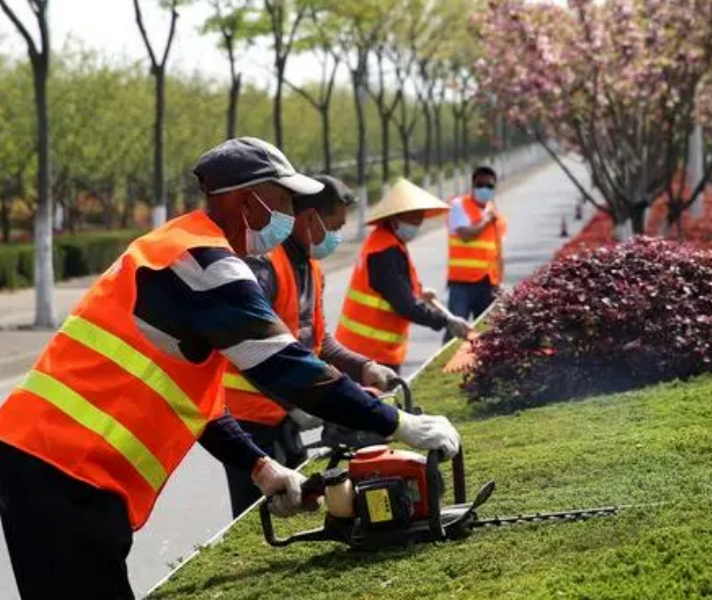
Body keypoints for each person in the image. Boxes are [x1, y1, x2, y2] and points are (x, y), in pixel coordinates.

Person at [0, 138, 459, 600]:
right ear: (248, 199)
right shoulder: (204, 261)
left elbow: (192, 400)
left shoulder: (187, 248)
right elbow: (287, 366)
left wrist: (260, 468)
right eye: (282, 201)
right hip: (59, 466)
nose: (287, 215)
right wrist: (399, 423)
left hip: (56, 465)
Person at [223, 174, 398, 517]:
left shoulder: (312, 268)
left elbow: (317, 340)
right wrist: (297, 403)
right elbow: (247, 347)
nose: (337, 237)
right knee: (255, 516)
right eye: (334, 227)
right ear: (309, 220)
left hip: (287, 411)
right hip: (250, 419)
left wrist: (363, 366)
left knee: (302, 502)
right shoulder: (263, 267)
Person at [335, 178, 472, 373]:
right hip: (369, 354)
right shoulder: (386, 251)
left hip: (364, 350)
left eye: (420, 216)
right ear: (394, 218)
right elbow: (405, 305)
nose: (417, 223)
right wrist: (445, 321)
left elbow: (390, 287)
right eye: (412, 217)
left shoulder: (384, 241)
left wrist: (419, 292)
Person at [444, 165, 507, 342]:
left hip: (487, 283)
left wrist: (499, 282)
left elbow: (499, 252)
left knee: (486, 332)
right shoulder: (459, 206)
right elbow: (466, 235)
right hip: (461, 283)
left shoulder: (496, 215)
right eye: (480, 184)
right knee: (456, 331)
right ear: (473, 185)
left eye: (489, 186)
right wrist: (486, 219)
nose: (484, 189)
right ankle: (445, 366)